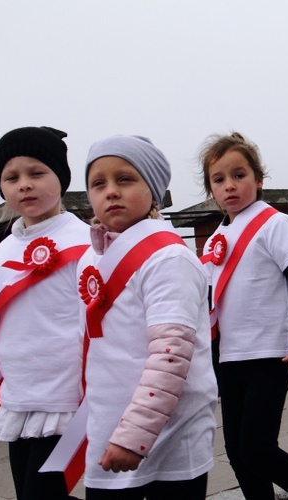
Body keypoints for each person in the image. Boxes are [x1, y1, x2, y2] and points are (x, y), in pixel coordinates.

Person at [0, 126, 90, 499]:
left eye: (36, 173)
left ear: (61, 177)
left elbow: (96, 325)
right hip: (20, 394)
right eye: (12, 177)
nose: (24, 185)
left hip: (65, 397)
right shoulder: (5, 250)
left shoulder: (85, 242)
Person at [198, 132, 288, 500]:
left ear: (259, 180)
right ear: (210, 188)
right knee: (237, 452)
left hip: (268, 353)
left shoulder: (275, 223)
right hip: (229, 357)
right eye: (219, 179)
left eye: (239, 175)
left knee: (257, 448)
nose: (230, 186)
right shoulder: (220, 234)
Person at [80, 135, 217, 498]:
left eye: (125, 179)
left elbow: (171, 353)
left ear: (153, 190)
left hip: (168, 434)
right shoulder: (89, 259)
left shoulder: (168, 259)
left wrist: (134, 437)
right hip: (111, 426)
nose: (110, 191)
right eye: (98, 183)